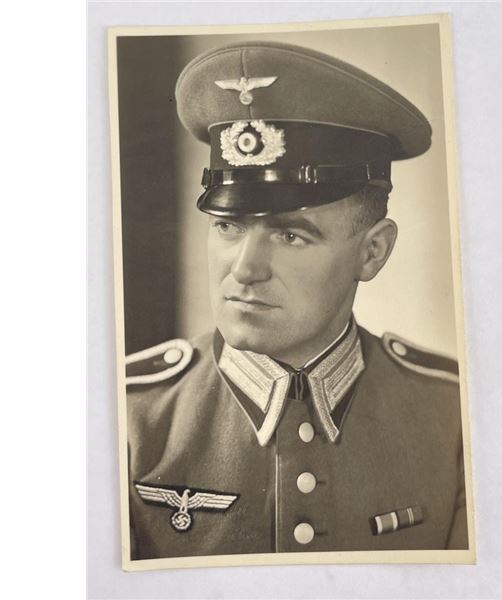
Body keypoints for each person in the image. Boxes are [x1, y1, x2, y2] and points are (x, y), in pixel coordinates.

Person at [125, 41, 468, 560]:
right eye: (229, 226)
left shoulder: (455, 415)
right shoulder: (127, 417)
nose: (245, 269)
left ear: (372, 252)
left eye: (290, 235)